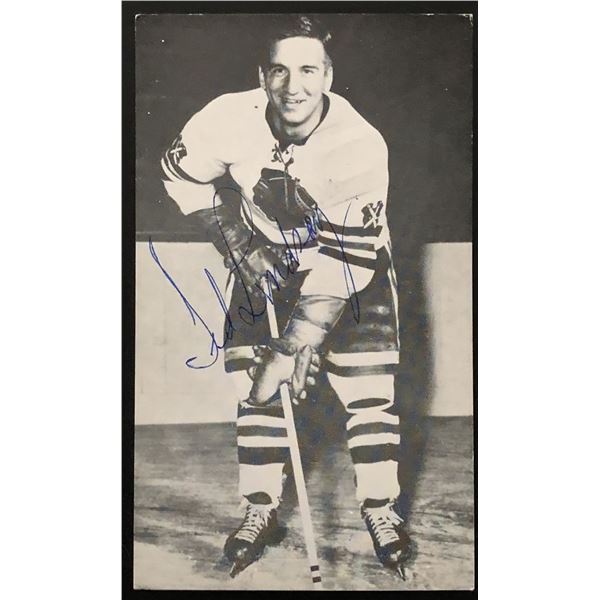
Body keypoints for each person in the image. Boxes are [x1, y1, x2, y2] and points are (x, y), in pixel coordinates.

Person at [160, 15, 412, 579]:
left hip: (349, 264)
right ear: (262, 76)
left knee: (368, 392)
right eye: (279, 70)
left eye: (307, 70)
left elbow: (346, 261)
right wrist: (237, 241)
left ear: (329, 76)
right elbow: (180, 175)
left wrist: (297, 343)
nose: (292, 86)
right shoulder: (226, 118)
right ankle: (260, 507)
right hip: (266, 257)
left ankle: (380, 507)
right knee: (257, 390)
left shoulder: (358, 144)